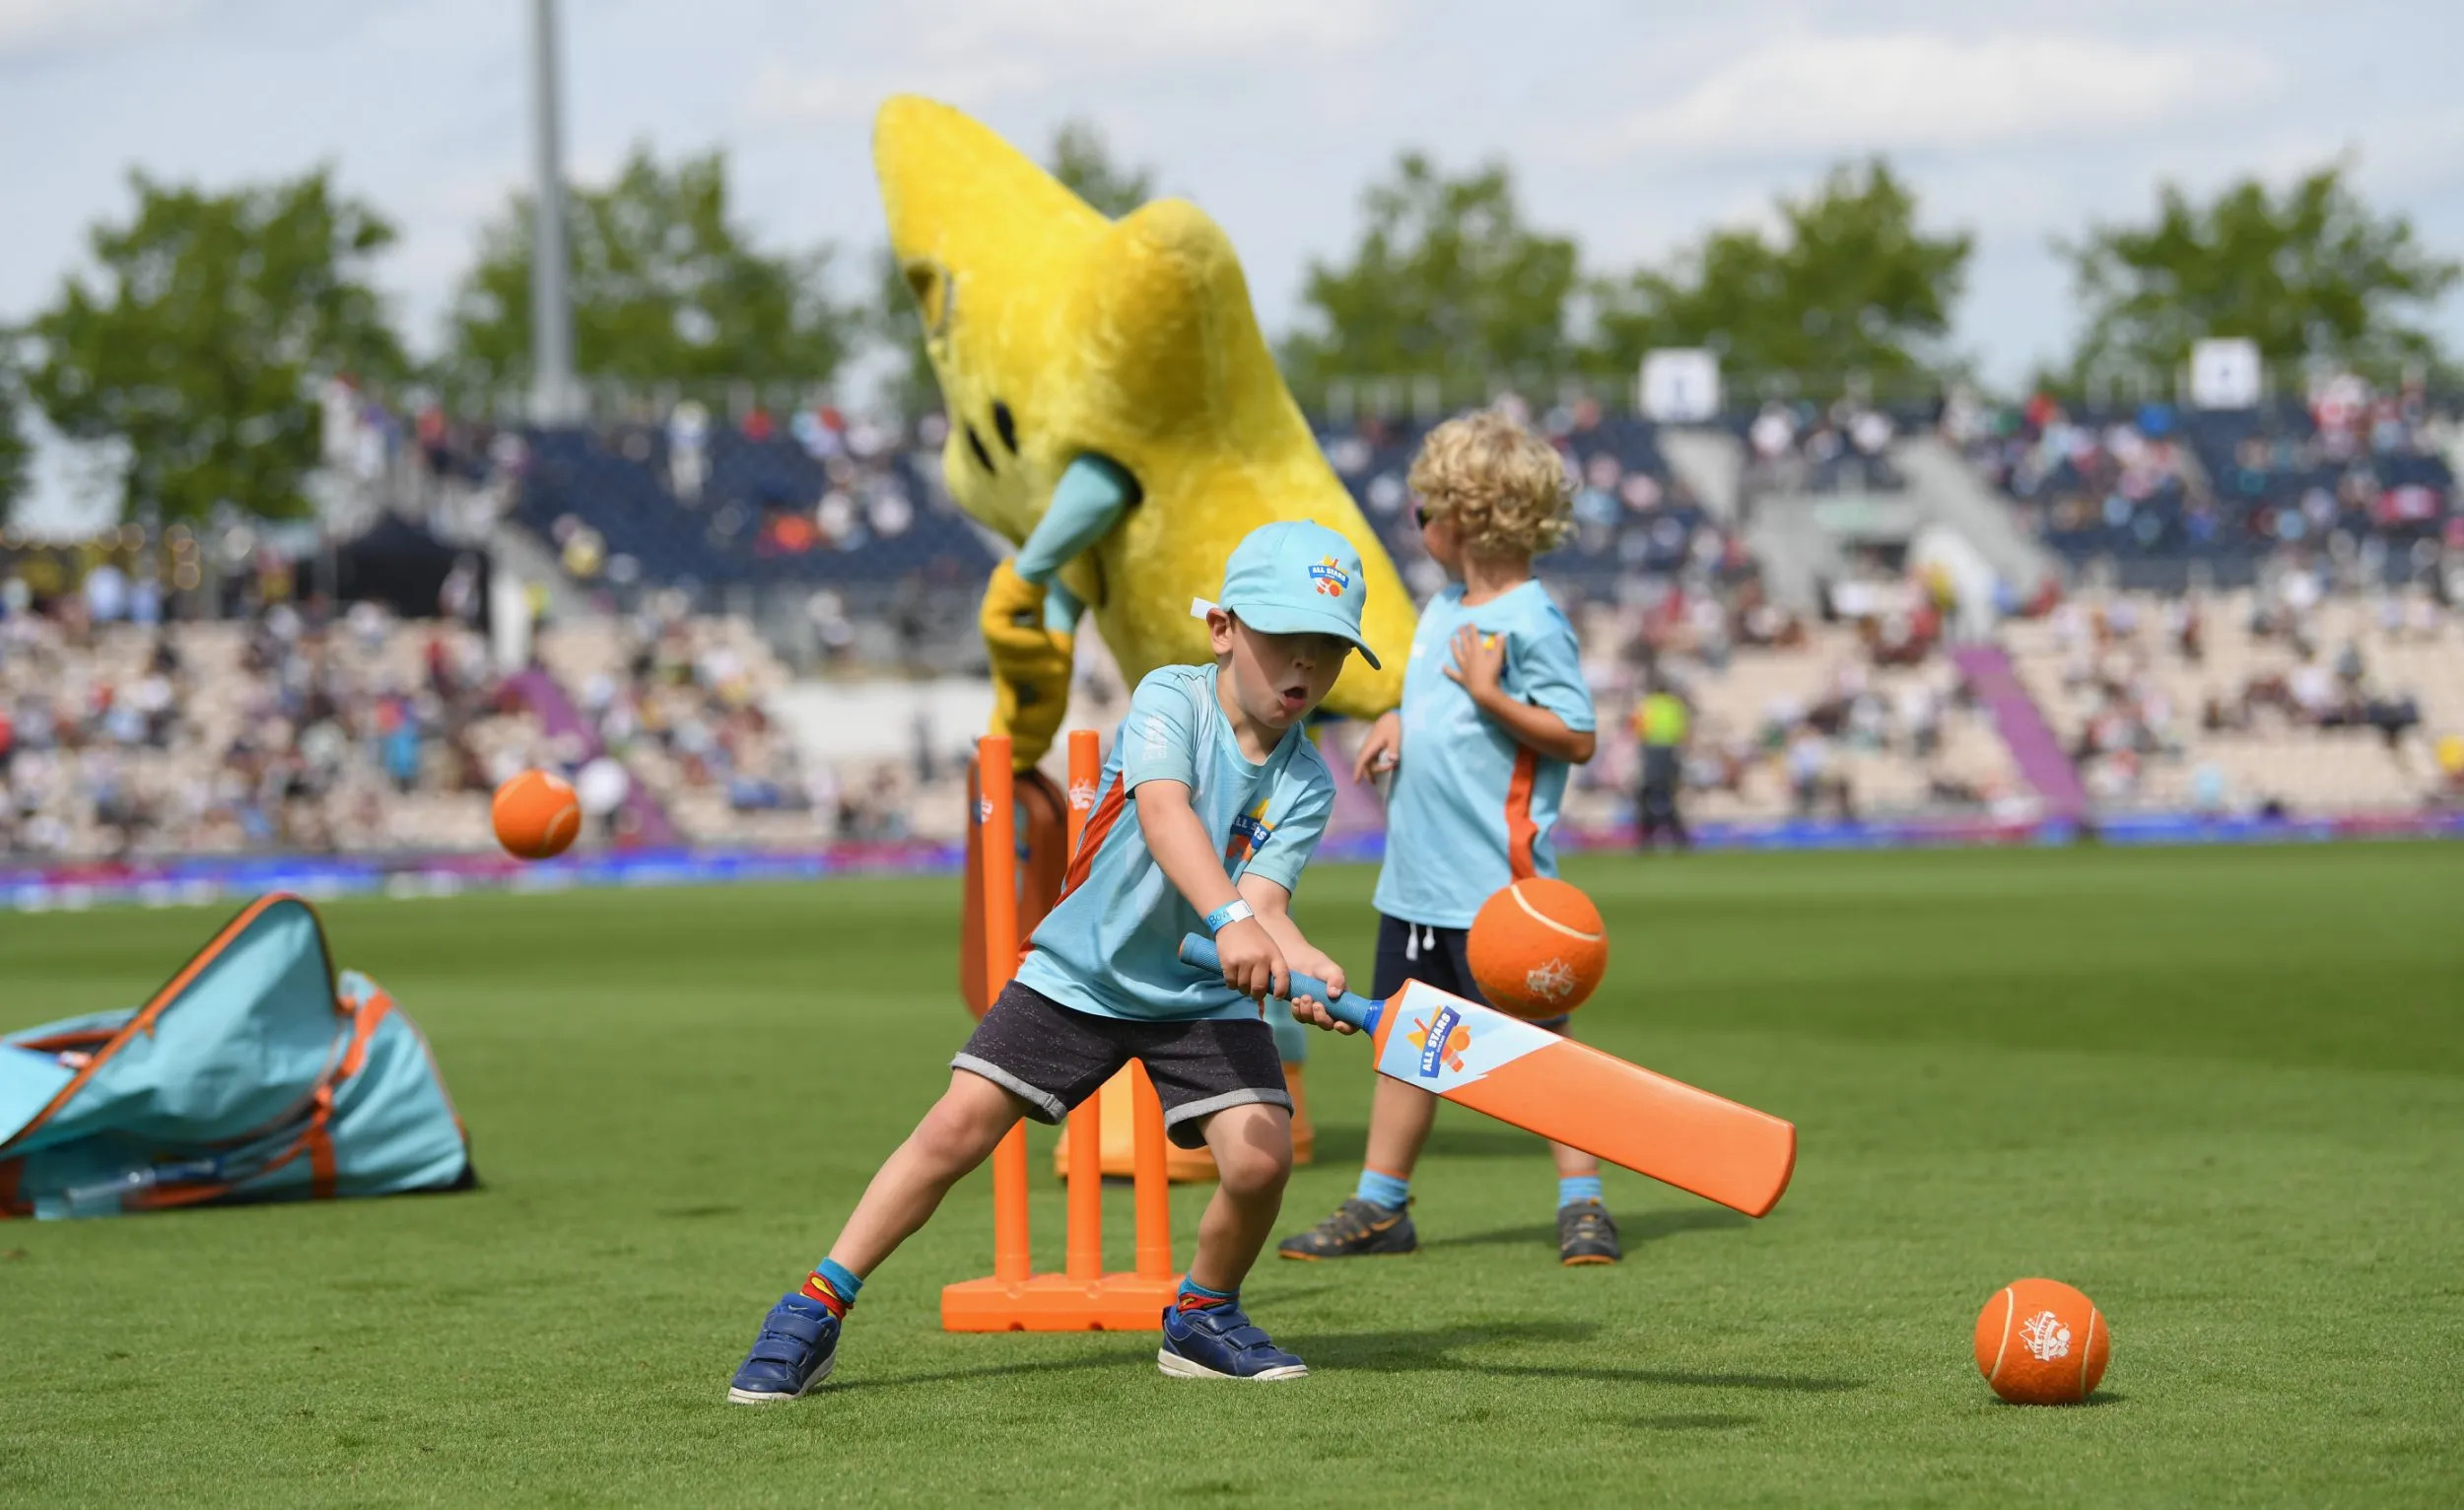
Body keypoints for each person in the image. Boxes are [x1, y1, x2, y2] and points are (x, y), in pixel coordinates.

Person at [726, 521, 1378, 1401]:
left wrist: (1306, 964)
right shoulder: (1169, 700)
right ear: (1224, 629)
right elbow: (1166, 815)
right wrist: (1231, 919)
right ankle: (814, 1306)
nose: (1304, 670)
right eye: (1284, 645)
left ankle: (1201, 1314)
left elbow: (1266, 903)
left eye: (1328, 653)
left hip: (1195, 992)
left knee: (1261, 1161)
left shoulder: (1308, 779)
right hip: (1081, 972)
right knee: (954, 1131)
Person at [1277, 409, 1614, 1270]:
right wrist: (1396, 718)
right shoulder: (1442, 610)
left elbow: (1576, 735)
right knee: (1404, 1045)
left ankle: (1584, 1202)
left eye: (1426, 509)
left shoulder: (1531, 620)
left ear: (1468, 517)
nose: (1417, 524)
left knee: (1539, 1052)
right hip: (1417, 883)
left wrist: (1492, 694)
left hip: (1497, 890)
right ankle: (1383, 1206)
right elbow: (1434, 701)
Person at [1634, 677, 1691, 851]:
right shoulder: (1675, 705)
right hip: (1671, 752)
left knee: (1647, 796)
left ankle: (1647, 838)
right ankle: (1679, 839)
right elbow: (1683, 732)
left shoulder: (1647, 704)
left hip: (1653, 751)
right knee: (1669, 797)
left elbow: (1638, 728)